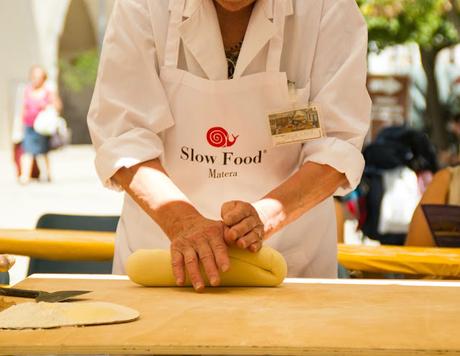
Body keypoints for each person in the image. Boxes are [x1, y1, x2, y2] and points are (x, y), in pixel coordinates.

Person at [88, 0, 371, 291]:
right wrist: (183, 222)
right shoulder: (144, 6)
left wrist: (265, 218)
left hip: (289, 264)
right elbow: (123, 135)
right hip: (161, 259)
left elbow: (337, 143)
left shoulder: (327, 7)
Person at [19, 66, 62, 184]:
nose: (36, 79)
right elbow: (23, 108)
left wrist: (48, 107)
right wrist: (20, 124)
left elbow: (57, 106)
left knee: (43, 152)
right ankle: (24, 176)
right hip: (29, 125)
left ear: (44, 78)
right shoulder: (27, 90)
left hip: (43, 127)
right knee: (27, 151)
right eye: (34, 77)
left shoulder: (48, 91)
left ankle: (47, 174)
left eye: (39, 77)